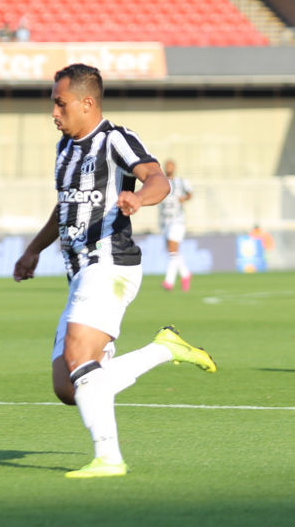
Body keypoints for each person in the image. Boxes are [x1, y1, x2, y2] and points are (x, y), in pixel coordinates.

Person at [13, 64, 216, 478]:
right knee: (68, 387)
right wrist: (33, 249)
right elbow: (65, 206)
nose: (53, 111)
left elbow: (159, 179)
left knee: (76, 354)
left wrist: (140, 199)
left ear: (87, 103)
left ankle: (109, 456)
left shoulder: (114, 139)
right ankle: (164, 348)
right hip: (79, 272)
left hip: (110, 263)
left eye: (60, 102)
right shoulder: (64, 150)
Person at [158, 159, 193, 291]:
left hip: (177, 220)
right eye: (167, 166)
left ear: (175, 167)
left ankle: (169, 281)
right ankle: (185, 274)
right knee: (173, 252)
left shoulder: (181, 181)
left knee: (173, 251)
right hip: (165, 221)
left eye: (171, 165)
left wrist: (184, 198)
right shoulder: (161, 182)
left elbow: (190, 194)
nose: (169, 168)